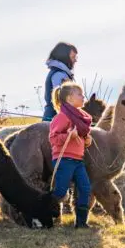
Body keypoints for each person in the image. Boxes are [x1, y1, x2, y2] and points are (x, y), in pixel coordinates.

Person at [48, 81, 93, 228]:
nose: (83, 96)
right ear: (68, 99)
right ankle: (42, 212)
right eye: (79, 94)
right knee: (60, 192)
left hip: (78, 160)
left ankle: (81, 223)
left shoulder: (79, 119)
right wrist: (69, 136)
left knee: (85, 188)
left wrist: (86, 140)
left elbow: (79, 140)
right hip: (64, 159)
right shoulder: (62, 117)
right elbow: (53, 139)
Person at [42, 42, 78, 121]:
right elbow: (61, 100)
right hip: (54, 121)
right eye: (73, 57)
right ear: (64, 58)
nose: (75, 60)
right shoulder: (59, 74)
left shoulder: (60, 73)